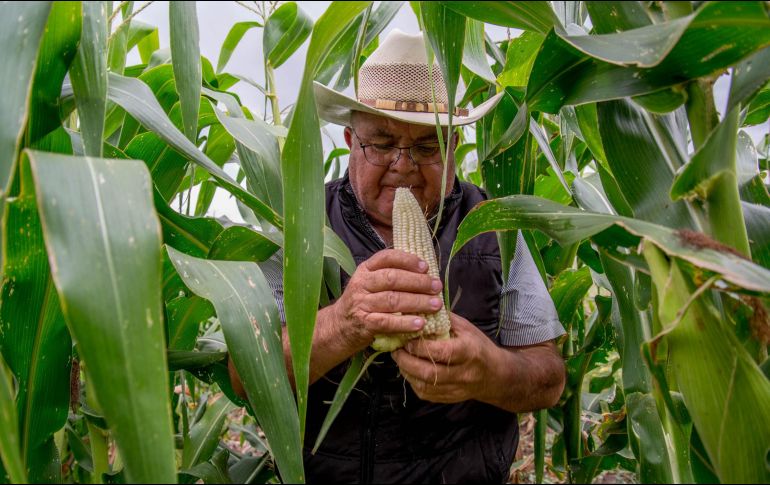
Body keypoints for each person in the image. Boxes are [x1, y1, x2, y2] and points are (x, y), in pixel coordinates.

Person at [230, 30, 565, 484]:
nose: (403, 165)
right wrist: (344, 324)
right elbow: (246, 376)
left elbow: (548, 378)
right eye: (382, 144)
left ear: (452, 149)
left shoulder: (494, 228)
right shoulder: (299, 227)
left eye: (426, 147)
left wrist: (488, 370)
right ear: (350, 140)